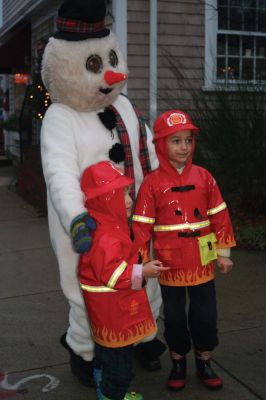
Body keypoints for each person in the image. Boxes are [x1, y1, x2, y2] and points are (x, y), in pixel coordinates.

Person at [40, 0, 165, 386]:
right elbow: (59, 173)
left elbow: (148, 154)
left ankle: (143, 338)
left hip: (135, 222)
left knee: (147, 281)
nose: (111, 72)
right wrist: (77, 219)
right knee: (88, 291)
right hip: (90, 229)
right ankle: (84, 348)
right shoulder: (61, 118)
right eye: (95, 65)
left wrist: (160, 193)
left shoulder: (124, 106)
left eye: (111, 57)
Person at [132, 110, 236, 391]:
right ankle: (178, 360)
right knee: (175, 317)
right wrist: (142, 265)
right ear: (161, 144)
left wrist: (223, 253)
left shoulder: (204, 177)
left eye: (188, 140)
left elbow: (219, 215)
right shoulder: (152, 184)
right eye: (175, 141)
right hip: (169, 264)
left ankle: (204, 359)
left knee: (205, 315)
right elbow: (141, 227)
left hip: (203, 260)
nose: (183, 147)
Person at [78, 160, 167, 400]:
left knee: (106, 355)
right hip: (114, 311)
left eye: (128, 193)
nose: (129, 200)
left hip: (107, 312)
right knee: (120, 367)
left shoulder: (107, 224)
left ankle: (102, 387)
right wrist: (143, 271)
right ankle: (111, 394)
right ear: (103, 200)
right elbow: (113, 275)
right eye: (120, 195)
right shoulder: (106, 236)